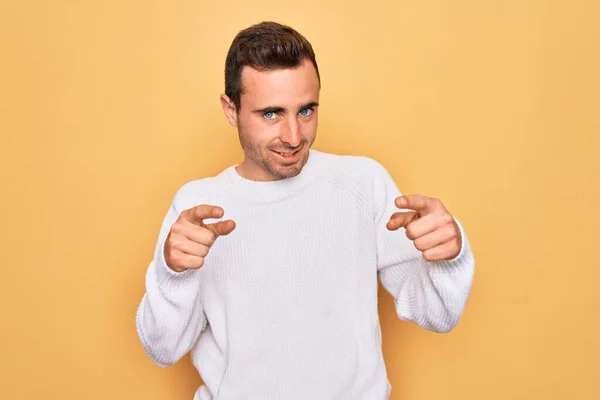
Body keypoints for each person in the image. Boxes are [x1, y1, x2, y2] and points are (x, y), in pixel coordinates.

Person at [135, 21, 475, 400]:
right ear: (231, 110)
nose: (294, 137)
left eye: (307, 110)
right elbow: (162, 350)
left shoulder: (362, 183)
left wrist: (450, 257)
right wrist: (173, 274)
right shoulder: (197, 208)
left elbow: (438, 315)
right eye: (270, 114)